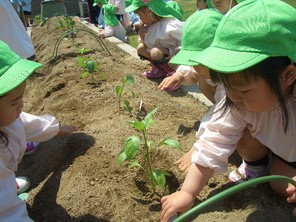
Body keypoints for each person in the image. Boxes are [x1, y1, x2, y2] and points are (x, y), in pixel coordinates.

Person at [161, 0, 296, 221]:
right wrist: (187, 192)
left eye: (243, 90)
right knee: (278, 182)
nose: (234, 97)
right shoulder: (237, 102)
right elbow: (213, 142)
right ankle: (261, 166)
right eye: (228, 87)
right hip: (287, 157)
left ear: (288, 76)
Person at [0, 40, 77, 221]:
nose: (22, 106)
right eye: (14, 102)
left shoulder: (8, 119)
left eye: (21, 98)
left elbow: (26, 123)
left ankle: (8, 184)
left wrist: (56, 128)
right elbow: (6, 213)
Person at [125, 0, 184, 79]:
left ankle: (171, 71)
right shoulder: (148, 27)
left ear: (149, 12)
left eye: (140, 15)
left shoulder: (169, 25)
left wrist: (176, 54)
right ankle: (159, 69)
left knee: (155, 52)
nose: (140, 19)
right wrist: (142, 35)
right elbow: (146, 43)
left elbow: (186, 40)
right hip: (159, 55)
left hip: (173, 56)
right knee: (141, 48)